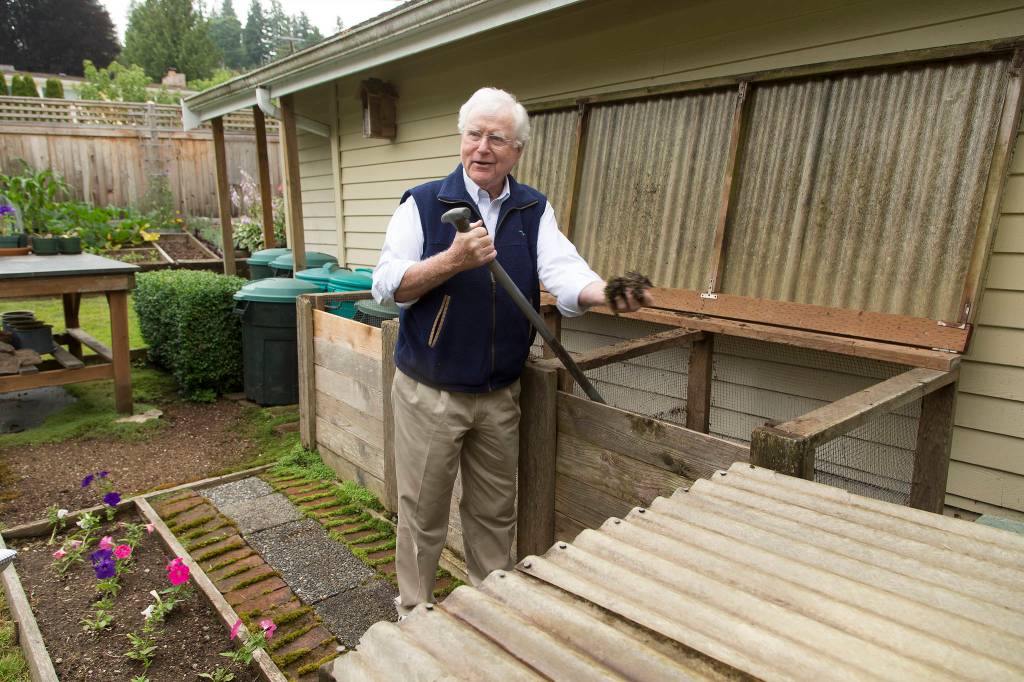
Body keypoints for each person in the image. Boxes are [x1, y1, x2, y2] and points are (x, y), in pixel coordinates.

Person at [372, 87, 647, 616]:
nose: (483, 147)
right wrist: (452, 260)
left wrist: (608, 294)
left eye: (497, 138)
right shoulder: (424, 203)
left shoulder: (530, 208)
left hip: (500, 393)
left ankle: (490, 616)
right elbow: (388, 286)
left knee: (494, 514)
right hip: (431, 391)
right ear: (461, 138)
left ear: (516, 150)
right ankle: (413, 614)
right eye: (474, 134)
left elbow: (563, 271)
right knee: (423, 513)